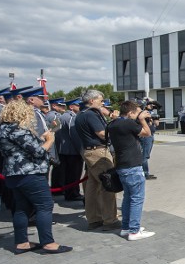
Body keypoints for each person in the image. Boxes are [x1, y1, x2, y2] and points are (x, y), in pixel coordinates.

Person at [0, 99, 72, 254]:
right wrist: (49, 141)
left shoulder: (3, 128)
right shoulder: (18, 130)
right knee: (44, 206)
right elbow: (38, 152)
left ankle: (21, 242)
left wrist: (41, 139)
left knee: (22, 208)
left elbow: (23, 149)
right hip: (29, 173)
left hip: (14, 174)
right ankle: (48, 242)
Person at [107, 100, 155, 240]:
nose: (138, 115)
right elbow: (147, 133)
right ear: (130, 113)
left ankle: (126, 227)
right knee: (137, 198)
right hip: (132, 166)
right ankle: (134, 231)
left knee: (128, 197)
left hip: (122, 165)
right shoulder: (128, 123)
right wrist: (142, 120)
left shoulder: (113, 123)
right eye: (136, 113)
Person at [73, 89, 119, 230]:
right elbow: (102, 134)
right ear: (92, 101)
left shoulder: (82, 114)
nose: (103, 103)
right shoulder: (91, 115)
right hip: (98, 152)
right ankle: (110, 219)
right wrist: (115, 123)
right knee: (108, 184)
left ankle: (94, 218)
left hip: (89, 151)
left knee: (92, 187)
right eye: (100, 100)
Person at [58, 98, 84, 202]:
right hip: (72, 151)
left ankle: (70, 192)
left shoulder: (63, 116)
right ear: (71, 106)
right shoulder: (70, 117)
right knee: (73, 174)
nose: (80, 107)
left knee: (68, 173)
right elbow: (74, 135)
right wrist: (81, 150)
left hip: (65, 150)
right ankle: (73, 193)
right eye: (78, 105)